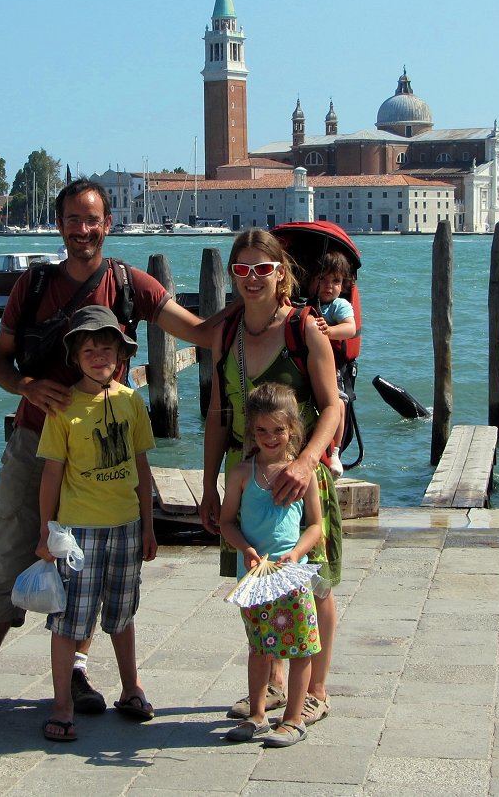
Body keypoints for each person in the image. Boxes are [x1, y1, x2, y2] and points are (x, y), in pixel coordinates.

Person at [0, 178, 212, 730]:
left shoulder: (129, 284)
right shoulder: (34, 284)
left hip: (100, 456)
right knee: (11, 554)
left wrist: (274, 314)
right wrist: (26, 387)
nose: (82, 230)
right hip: (34, 443)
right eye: (72, 220)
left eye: (92, 220)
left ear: (108, 224)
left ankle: (78, 672)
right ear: (59, 225)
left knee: (89, 566)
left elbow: (200, 331)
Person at [201, 227, 342, 729]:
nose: (252, 277)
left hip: (302, 478)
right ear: (232, 275)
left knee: (316, 585)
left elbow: (331, 406)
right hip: (249, 478)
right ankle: (273, 685)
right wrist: (210, 485)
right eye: (242, 269)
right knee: (261, 581)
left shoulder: (305, 328)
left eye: (263, 268)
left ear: (281, 272)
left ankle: (316, 690)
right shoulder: (226, 333)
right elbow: (218, 414)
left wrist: (305, 463)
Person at [35, 305, 157, 742]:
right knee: (69, 620)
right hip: (78, 531)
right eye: (89, 350)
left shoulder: (130, 401)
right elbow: (51, 474)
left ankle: (131, 688)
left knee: (122, 614)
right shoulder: (63, 407)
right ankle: (62, 705)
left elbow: (142, 467)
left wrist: (149, 525)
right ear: (75, 357)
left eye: (106, 349)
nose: (99, 357)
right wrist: (45, 531)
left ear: (120, 356)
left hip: (126, 525)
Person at [220, 382, 323, 747]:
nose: (269, 438)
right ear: (251, 430)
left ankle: (294, 718)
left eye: (278, 430)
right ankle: (257, 714)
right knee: (259, 647)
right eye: (261, 430)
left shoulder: (303, 474)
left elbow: (315, 526)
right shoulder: (241, 474)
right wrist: (246, 549)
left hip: (292, 576)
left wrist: (296, 553)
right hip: (254, 578)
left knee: (301, 647)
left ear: (292, 429)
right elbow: (226, 522)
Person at [306, 252, 357, 478]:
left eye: (335, 281)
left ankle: (335, 452)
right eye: (322, 279)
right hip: (306, 366)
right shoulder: (303, 304)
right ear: (310, 281)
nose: (328, 286)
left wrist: (329, 331)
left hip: (331, 368)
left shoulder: (339, 306)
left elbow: (350, 328)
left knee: (339, 404)